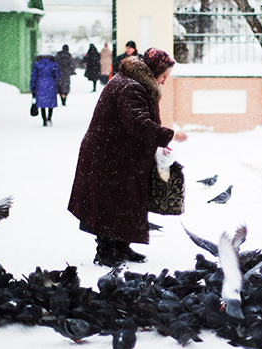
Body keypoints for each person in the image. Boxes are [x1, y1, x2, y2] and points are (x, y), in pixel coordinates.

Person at [68, 48, 188, 267]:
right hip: (108, 155)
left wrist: (157, 144)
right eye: (163, 76)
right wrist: (169, 135)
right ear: (154, 70)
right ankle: (105, 252)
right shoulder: (130, 87)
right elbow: (138, 124)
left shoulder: (134, 82)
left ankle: (121, 247)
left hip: (118, 153)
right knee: (110, 203)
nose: (163, 82)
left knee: (125, 200)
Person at [30, 53, 61, 127]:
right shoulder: (53, 64)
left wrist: (32, 87)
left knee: (42, 103)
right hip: (51, 84)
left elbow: (33, 76)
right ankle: (49, 119)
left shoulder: (37, 64)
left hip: (40, 84)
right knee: (51, 102)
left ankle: (44, 120)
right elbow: (57, 75)